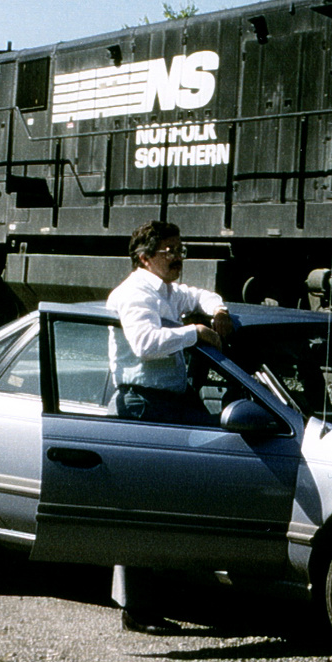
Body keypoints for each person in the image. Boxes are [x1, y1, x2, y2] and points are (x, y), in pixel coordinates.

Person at [106, 220, 233, 634]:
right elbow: (144, 342)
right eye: (169, 250)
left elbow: (198, 294)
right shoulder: (134, 294)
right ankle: (137, 609)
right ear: (145, 258)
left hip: (174, 402)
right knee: (145, 505)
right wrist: (194, 332)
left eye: (181, 249)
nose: (178, 257)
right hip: (144, 406)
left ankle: (188, 588)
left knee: (204, 479)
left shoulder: (165, 290)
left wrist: (218, 310)